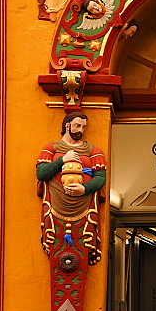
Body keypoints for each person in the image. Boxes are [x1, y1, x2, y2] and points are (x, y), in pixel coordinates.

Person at [36, 112, 106, 264]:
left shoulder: (93, 150)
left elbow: (100, 177)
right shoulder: (51, 148)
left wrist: (85, 188)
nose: (80, 130)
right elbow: (41, 173)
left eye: (83, 127)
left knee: (81, 247)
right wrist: (62, 159)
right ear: (67, 125)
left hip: (84, 207)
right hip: (56, 203)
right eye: (77, 126)